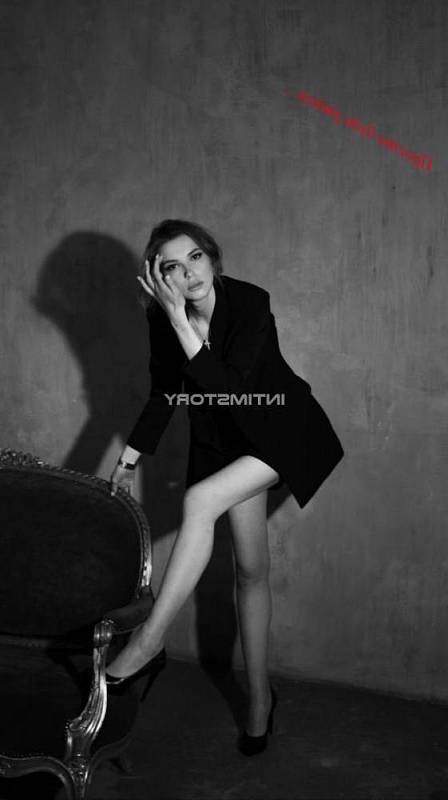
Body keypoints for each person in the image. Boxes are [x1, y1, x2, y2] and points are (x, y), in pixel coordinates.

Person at [106, 219, 344, 755]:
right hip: (227, 444)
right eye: (172, 266)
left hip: (283, 430)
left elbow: (231, 391)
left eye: (195, 257)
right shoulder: (160, 318)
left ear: (212, 258)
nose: (189, 273)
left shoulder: (251, 303)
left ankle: (149, 640)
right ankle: (260, 699)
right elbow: (165, 393)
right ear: (159, 277)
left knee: (200, 499)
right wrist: (128, 460)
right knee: (251, 570)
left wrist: (179, 322)